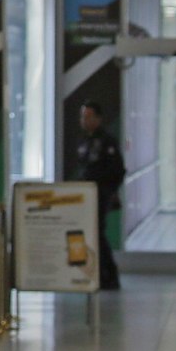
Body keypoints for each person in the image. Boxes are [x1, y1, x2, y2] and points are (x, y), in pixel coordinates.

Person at [72, 103, 126, 290]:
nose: (84, 121)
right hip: (85, 195)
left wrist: (108, 191)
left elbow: (116, 170)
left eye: (88, 117)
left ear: (98, 118)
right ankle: (94, 272)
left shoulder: (107, 142)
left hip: (100, 194)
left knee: (98, 233)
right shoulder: (84, 141)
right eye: (82, 117)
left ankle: (108, 274)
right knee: (90, 233)